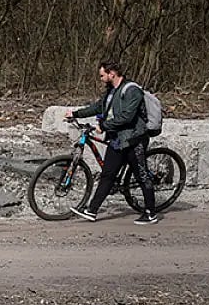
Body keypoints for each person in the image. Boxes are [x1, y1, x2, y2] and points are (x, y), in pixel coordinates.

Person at [65, 60, 159, 224]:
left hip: (133, 139)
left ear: (112, 73)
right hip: (117, 140)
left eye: (102, 75)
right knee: (108, 175)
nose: (101, 78)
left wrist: (104, 126)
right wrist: (75, 113)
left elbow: (127, 117)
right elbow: (98, 107)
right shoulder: (111, 92)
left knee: (141, 176)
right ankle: (92, 211)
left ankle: (151, 213)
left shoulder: (132, 91)